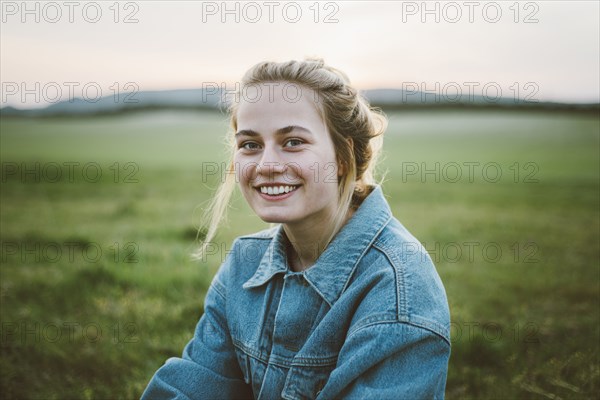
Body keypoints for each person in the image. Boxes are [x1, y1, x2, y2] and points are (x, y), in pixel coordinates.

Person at [142, 58, 450, 399]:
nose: (267, 165)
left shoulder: (398, 287)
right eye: (250, 144)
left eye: (293, 142)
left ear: (343, 158)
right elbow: (195, 383)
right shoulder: (245, 261)